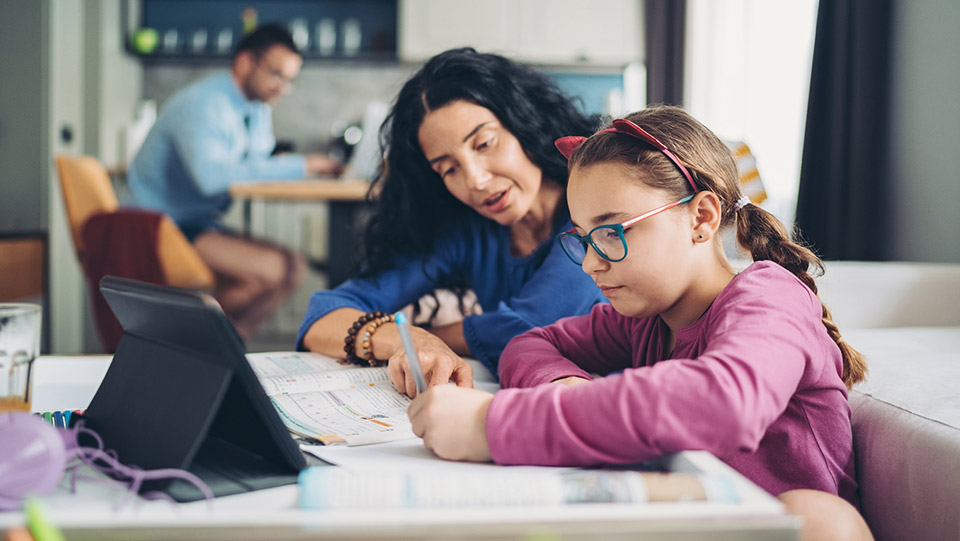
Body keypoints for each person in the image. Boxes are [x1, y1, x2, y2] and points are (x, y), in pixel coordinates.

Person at [407, 106, 873, 540]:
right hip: (682, 522)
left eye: (612, 231)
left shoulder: (769, 296)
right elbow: (528, 343)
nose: (590, 264)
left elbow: (724, 401)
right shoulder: (644, 320)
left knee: (818, 515)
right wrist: (565, 385)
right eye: (584, 238)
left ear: (701, 218)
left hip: (771, 527)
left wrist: (494, 424)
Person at [298, 48, 605, 390]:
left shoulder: (594, 209)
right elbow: (322, 314)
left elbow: (530, 324)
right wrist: (408, 342)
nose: (475, 180)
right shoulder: (469, 230)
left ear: (525, 122)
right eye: (449, 168)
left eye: (484, 143)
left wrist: (427, 336)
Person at [125, 24, 339, 340]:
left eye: (289, 79)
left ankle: (227, 351)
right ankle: (183, 343)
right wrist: (303, 165)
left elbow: (257, 161)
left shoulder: (255, 107)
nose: (283, 87)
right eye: (276, 74)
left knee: (295, 266)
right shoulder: (203, 103)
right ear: (244, 63)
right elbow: (211, 178)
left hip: (197, 222)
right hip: (157, 224)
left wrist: (293, 164)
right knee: (271, 270)